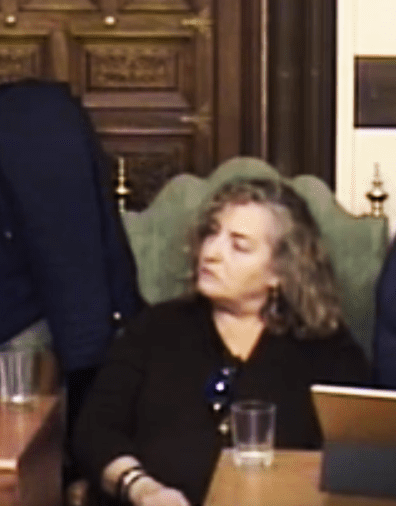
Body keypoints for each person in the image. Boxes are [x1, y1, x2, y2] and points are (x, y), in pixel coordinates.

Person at [72, 178, 371, 506]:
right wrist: (141, 488)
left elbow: (367, 453)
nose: (211, 253)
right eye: (211, 234)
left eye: (239, 246)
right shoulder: (154, 329)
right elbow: (94, 431)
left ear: (281, 271)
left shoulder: (327, 349)